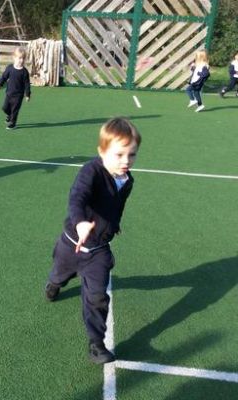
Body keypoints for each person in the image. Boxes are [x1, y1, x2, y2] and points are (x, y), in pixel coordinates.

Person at [44, 117, 141, 364]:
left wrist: (114, 225)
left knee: (97, 296)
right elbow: (77, 197)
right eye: (119, 155)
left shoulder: (127, 180)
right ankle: (54, 283)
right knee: (59, 274)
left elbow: (117, 206)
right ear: (102, 151)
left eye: (132, 155)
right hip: (71, 245)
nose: (126, 161)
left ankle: (96, 343)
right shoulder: (91, 171)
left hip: (98, 250)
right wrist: (80, 223)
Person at [0, 47, 31, 130]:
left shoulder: (24, 72)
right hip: (9, 93)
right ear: (14, 58)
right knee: (5, 108)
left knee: (15, 110)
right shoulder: (10, 68)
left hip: (18, 95)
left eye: (23, 58)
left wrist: (27, 94)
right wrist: (0, 84)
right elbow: (4, 76)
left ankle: (13, 123)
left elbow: (27, 84)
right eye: (19, 58)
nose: (21, 60)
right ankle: (9, 115)